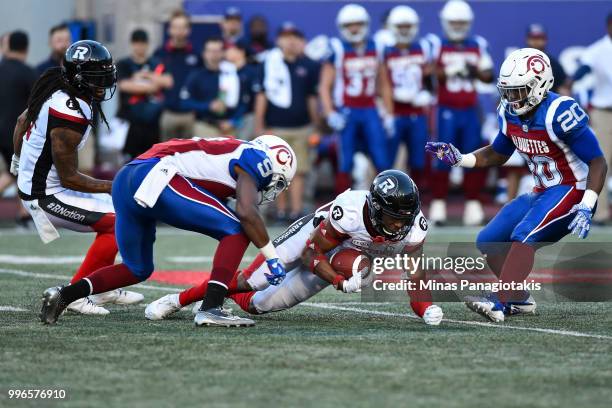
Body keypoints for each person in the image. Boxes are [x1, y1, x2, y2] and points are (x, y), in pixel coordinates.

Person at [426, 48, 608, 323]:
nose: (512, 98)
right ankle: (519, 299)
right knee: (488, 240)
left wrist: (587, 204)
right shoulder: (509, 112)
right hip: (543, 191)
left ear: (540, 85)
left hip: (574, 189)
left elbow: (597, 162)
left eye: (519, 90)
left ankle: (499, 301)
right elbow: (498, 152)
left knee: (524, 234)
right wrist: (460, 159)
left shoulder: (559, 112)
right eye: (508, 90)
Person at [39, 135, 297, 326]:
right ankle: (211, 307)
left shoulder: (233, 150)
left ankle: (63, 294)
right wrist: (272, 257)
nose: (273, 188)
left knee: (137, 268)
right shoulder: (256, 157)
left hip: (126, 178)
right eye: (278, 181)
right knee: (238, 230)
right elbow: (247, 213)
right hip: (156, 175)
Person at [146, 170, 444, 327]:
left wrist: (426, 307)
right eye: (393, 218)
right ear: (377, 209)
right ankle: (178, 299)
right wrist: (339, 281)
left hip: (347, 255)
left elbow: (415, 275)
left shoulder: (415, 225)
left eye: (404, 217)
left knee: (257, 304)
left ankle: (222, 300)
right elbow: (310, 253)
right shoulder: (350, 211)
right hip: (311, 239)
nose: (399, 225)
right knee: (253, 280)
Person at [13, 40, 143, 315]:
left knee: (123, 216)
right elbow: (70, 177)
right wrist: (115, 186)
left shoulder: (59, 87)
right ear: (81, 78)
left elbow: (22, 121)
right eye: (99, 76)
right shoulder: (69, 111)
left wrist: (17, 161)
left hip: (49, 185)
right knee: (117, 223)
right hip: (46, 194)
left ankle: (102, 287)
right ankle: (73, 294)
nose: (105, 81)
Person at [428, 0, 494, 226]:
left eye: (461, 22)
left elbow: (487, 75)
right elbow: (431, 73)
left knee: (473, 155)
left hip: (469, 110)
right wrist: (451, 69)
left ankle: (473, 203)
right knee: (442, 155)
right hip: (446, 108)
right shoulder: (436, 44)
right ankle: (438, 203)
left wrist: (473, 69)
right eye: (454, 22)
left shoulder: (477, 44)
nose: (457, 26)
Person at [319, 4, 389, 194]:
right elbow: (324, 86)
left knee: (381, 157)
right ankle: (341, 203)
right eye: (350, 25)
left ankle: (387, 202)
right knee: (345, 160)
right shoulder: (337, 48)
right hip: (347, 109)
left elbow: (383, 83)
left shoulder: (377, 47)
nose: (355, 29)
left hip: (370, 108)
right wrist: (330, 112)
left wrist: (389, 114)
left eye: (358, 24)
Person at [254, 22, 320, 222]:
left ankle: (296, 211)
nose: (289, 41)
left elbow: (311, 98)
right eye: (285, 36)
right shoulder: (269, 64)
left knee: (299, 172)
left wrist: (316, 125)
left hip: (301, 127)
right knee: (278, 172)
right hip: (276, 127)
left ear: (301, 41)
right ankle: (281, 211)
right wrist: (259, 124)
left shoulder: (308, 65)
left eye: (294, 37)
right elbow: (262, 95)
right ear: (278, 40)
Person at [379, 6, 434, 189]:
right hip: (396, 112)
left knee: (418, 159)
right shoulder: (385, 50)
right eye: (400, 26)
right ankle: (385, 195)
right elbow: (382, 82)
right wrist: (388, 112)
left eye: (407, 26)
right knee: (387, 159)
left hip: (417, 113)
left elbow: (430, 76)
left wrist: (428, 93)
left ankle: (414, 196)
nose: (404, 30)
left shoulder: (423, 48)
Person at [566, 14, 612, 224]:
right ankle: (601, 214)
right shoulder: (598, 49)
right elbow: (582, 70)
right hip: (604, 112)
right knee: (601, 162)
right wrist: (570, 82)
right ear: (608, 26)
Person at [116, 29, 172, 159]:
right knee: (129, 160)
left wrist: (145, 76)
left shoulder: (155, 63)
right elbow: (124, 85)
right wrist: (151, 86)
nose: (140, 46)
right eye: (137, 43)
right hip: (130, 120)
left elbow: (168, 81)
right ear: (132, 44)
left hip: (153, 121)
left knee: (152, 158)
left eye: (143, 43)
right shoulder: (124, 63)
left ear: (147, 44)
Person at [0, 31, 38, 226]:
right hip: (15, 132)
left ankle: (23, 214)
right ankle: (24, 215)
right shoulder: (28, 73)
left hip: (1, 129)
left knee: (14, 172)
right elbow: (37, 105)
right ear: (26, 48)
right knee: (23, 173)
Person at [180, 37, 245, 138]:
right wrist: (207, 106)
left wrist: (233, 121)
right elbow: (184, 102)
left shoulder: (232, 74)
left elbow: (242, 102)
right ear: (204, 53)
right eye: (210, 51)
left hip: (229, 128)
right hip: (205, 127)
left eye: (217, 51)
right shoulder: (196, 76)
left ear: (223, 53)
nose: (214, 55)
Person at [154, 9, 201, 140]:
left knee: (191, 157)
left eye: (183, 27)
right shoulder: (160, 54)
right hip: (167, 113)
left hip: (190, 116)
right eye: (175, 27)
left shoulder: (196, 56)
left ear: (188, 30)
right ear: (170, 29)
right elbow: (152, 79)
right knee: (166, 156)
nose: (179, 31)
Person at [225, 42, 259, 139]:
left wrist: (233, 120)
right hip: (228, 119)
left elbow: (249, 101)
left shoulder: (251, 72)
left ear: (241, 52)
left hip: (246, 118)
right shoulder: (227, 71)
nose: (226, 52)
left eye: (230, 49)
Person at [525, 24, 568, 94]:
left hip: (547, 102)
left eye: (539, 38)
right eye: (533, 38)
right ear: (527, 40)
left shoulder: (552, 63)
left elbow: (564, 87)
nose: (536, 42)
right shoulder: (519, 61)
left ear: (545, 40)